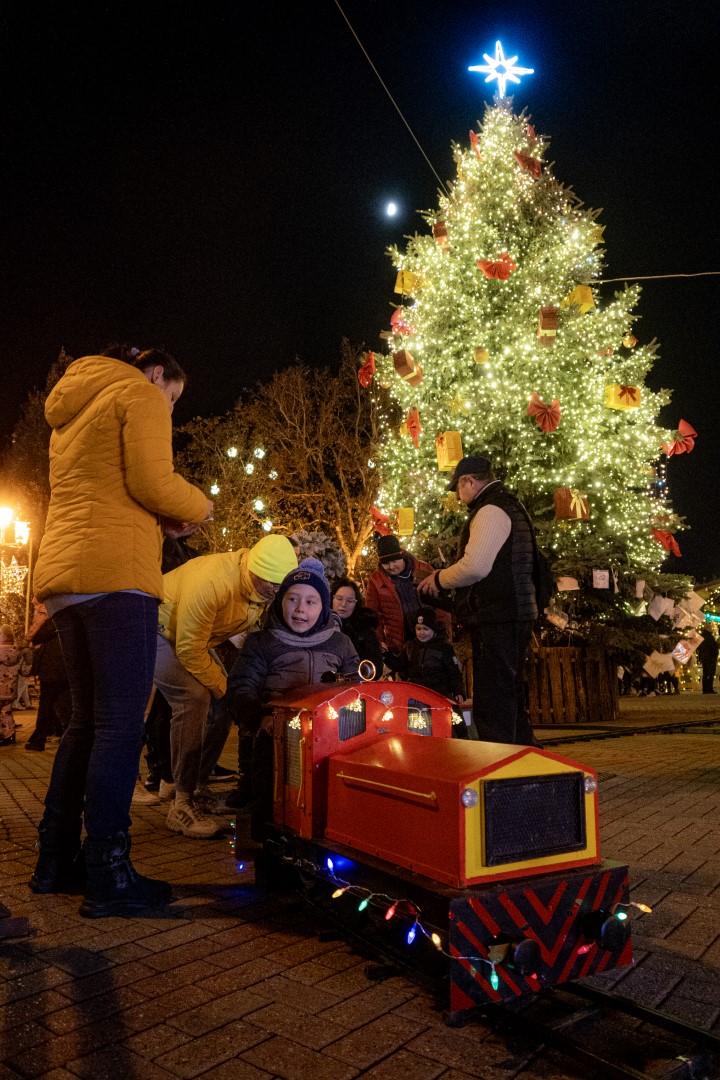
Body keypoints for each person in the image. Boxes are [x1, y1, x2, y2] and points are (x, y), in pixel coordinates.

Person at [30, 346, 211, 917]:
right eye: (174, 398)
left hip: (65, 578)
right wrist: (198, 507)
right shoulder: (138, 392)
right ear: (158, 372)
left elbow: (110, 485)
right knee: (118, 725)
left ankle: (55, 859)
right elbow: (154, 481)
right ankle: (109, 870)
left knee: (85, 721)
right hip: (116, 576)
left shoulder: (74, 408)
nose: (171, 409)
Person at [152, 533, 298, 837]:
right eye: (269, 584)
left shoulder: (258, 587)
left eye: (278, 586)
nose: (275, 592)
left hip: (193, 639)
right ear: (253, 571)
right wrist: (228, 691)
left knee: (222, 705)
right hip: (157, 629)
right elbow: (189, 648)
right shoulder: (213, 582)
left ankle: (196, 784)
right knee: (193, 699)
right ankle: (181, 803)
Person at [226, 558, 359, 834]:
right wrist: (258, 717)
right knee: (269, 790)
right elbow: (242, 685)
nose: (301, 609)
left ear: (323, 608)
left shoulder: (340, 644)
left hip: (330, 738)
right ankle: (267, 839)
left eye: (311, 602)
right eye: (293, 599)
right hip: (276, 738)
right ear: (280, 602)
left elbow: (356, 688)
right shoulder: (263, 642)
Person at [418, 454, 538, 746]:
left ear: (468, 481)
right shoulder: (511, 505)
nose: (459, 498)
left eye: (458, 489)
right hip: (515, 612)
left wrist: (438, 579)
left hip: (498, 615)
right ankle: (525, 756)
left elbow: (475, 566)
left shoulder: (490, 510)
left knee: (494, 698)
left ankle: (500, 761)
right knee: (509, 693)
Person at [365, 534, 451, 660]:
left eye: (394, 561)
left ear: (402, 556)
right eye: (386, 563)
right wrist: (379, 641)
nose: (391, 567)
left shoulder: (423, 569)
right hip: (400, 643)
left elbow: (439, 603)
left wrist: (444, 629)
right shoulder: (376, 581)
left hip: (430, 637)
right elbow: (372, 614)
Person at [24, 602, 72, 752]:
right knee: (64, 704)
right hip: (65, 668)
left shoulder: (51, 621)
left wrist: (31, 635)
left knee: (46, 704)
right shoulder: (67, 619)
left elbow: (36, 636)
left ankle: (38, 739)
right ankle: (67, 737)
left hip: (52, 669)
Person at [331, 577, 383, 678]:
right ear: (332, 599)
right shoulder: (319, 627)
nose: (343, 604)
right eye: (339, 599)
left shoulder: (365, 629)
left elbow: (375, 669)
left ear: (356, 603)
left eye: (349, 601)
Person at [0, 625, 21, 745]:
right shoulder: (16, 651)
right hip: (10, 689)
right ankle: (10, 734)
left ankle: (3, 733)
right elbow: (24, 670)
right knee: (6, 711)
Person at [697, 627, 719, 694]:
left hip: (704, 658)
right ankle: (709, 689)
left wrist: (700, 657)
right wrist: (715, 655)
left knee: (705, 673)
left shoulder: (701, 638)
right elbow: (714, 648)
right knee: (710, 674)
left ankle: (705, 689)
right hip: (711, 658)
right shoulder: (710, 638)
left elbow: (699, 649)